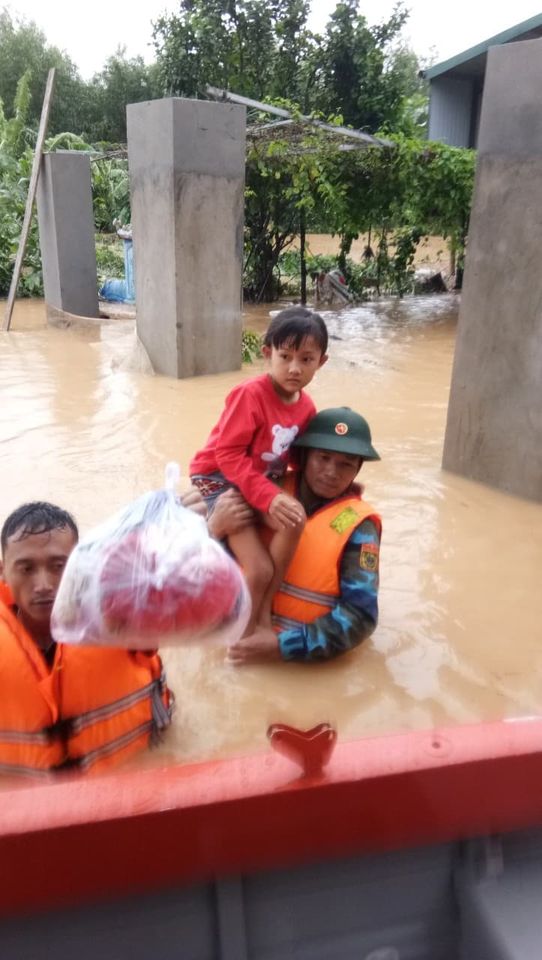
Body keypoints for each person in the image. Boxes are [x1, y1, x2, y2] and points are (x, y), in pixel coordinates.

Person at [0, 498, 213, 778]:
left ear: (81, 564)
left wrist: (176, 538)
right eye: (26, 568)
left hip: (135, 780)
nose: (43, 585)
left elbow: (183, 602)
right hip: (34, 809)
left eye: (58, 566)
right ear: (3, 572)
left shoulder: (120, 615)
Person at [190, 307, 328, 636]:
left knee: (294, 518)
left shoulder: (306, 406)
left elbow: (296, 457)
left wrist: (337, 489)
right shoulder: (249, 395)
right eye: (285, 356)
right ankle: (244, 634)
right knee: (259, 569)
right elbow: (227, 454)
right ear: (268, 354)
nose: (295, 368)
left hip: (256, 476)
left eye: (306, 359)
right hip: (218, 476)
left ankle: (264, 609)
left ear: (321, 362)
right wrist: (267, 497)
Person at [218, 407, 382, 664]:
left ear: (357, 470)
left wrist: (282, 647)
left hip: (292, 661)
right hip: (230, 641)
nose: (331, 472)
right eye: (323, 458)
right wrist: (214, 528)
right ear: (304, 457)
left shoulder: (360, 526)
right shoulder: (263, 490)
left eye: (346, 464)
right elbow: (198, 568)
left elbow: (361, 616)